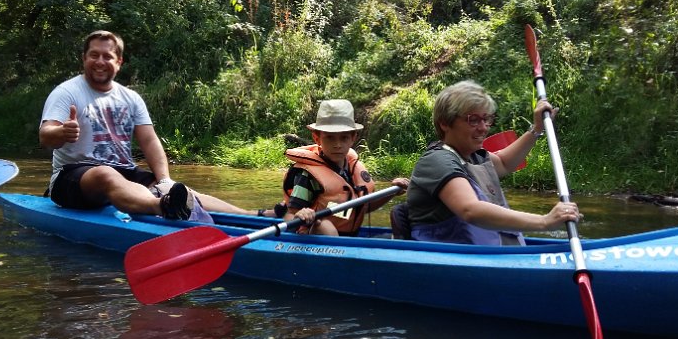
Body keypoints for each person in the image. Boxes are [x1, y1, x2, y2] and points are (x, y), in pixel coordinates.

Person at [38, 30, 261, 221]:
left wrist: (164, 180)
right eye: (94, 55)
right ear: (84, 58)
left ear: (119, 62)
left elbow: (149, 140)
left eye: (107, 56)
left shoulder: (131, 98)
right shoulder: (66, 92)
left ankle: (254, 215)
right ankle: (163, 206)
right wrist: (62, 132)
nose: (100, 61)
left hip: (122, 172)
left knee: (174, 188)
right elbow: (45, 135)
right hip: (72, 177)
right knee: (105, 173)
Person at [404, 80, 580, 245]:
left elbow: (504, 163)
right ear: (445, 123)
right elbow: (470, 210)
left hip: (490, 254)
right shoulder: (437, 161)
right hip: (454, 258)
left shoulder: (473, 155)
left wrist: (537, 129)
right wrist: (544, 222)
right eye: (473, 120)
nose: (483, 128)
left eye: (486, 119)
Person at [282, 99, 410, 236]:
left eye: (344, 138)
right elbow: (290, 215)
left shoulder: (352, 169)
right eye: (330, 137)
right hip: (315, 236)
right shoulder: (308, 176)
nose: (337, 145)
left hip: (348, 238)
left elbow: (363, 207)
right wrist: (301, 214)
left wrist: (392, 192)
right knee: (324, 225)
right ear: (317, 138)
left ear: (353, 138)